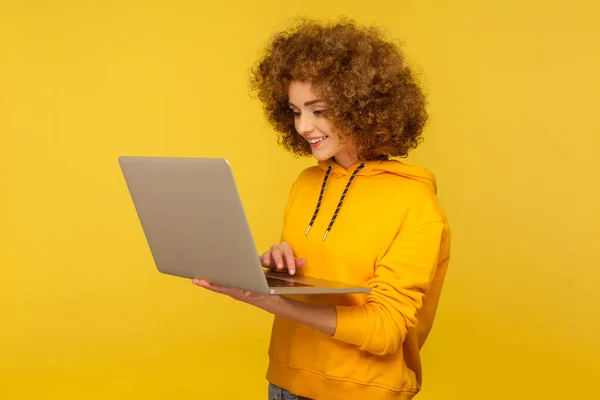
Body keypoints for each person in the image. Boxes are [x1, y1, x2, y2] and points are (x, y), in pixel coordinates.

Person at [192, 18, 451, 400]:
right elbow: (317, 274)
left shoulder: (415, 204)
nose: (303, 126)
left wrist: (268, 301)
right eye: (296, 111)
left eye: (318, 110)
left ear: (364, 107)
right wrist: (279, 269)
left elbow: (385, 330)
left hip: (361, 391)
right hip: (284, 382)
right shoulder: (306, 183)